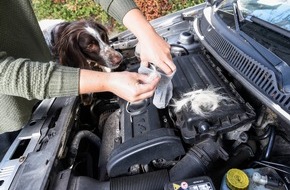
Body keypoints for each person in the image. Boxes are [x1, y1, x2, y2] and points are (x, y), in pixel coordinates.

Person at [0, 0, 175, 156]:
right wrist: (107, 81)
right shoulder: (67, 48)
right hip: (10, 117)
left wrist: (146, 33)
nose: (114, 57)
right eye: (91, 46)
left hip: (44, 78)